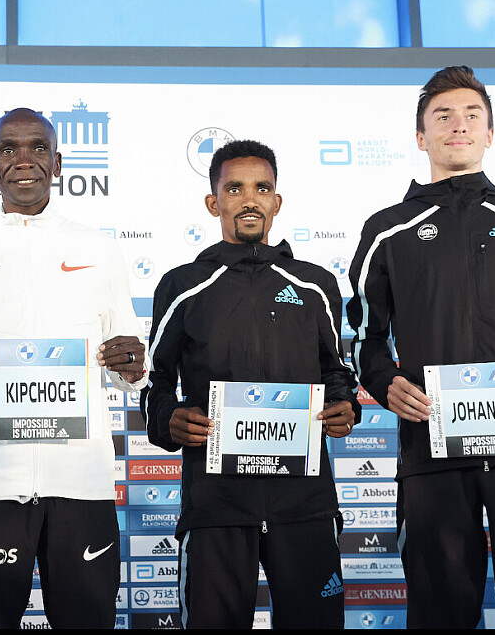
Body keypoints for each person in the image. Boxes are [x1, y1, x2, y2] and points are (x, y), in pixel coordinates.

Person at [347, 66, 495, 628]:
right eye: (443, 116)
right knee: (440, 613)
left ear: (489, 133)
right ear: (420, 136)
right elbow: (363, 337)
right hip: (431, 448)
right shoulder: (387, 230)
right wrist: (385, 382)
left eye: (471, 115)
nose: (458, 125)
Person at [0, 108, 147, 629]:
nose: (24, 160)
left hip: (81, 481)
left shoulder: (100, 249)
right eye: (8, 149)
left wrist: (134, 366)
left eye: (38, 147)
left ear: (58, 163)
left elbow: (130, 364)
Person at [141, 139, 359, 629]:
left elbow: (336, 373)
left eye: (262, 188)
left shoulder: (316, 284)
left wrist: (345, 405)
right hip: (215, 506)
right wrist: (168, 420)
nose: (249, 199)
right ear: (213, 202)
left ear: (276, 202)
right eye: (234, 188)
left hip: (304, 503)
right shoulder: (182, 285)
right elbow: (156, 383)